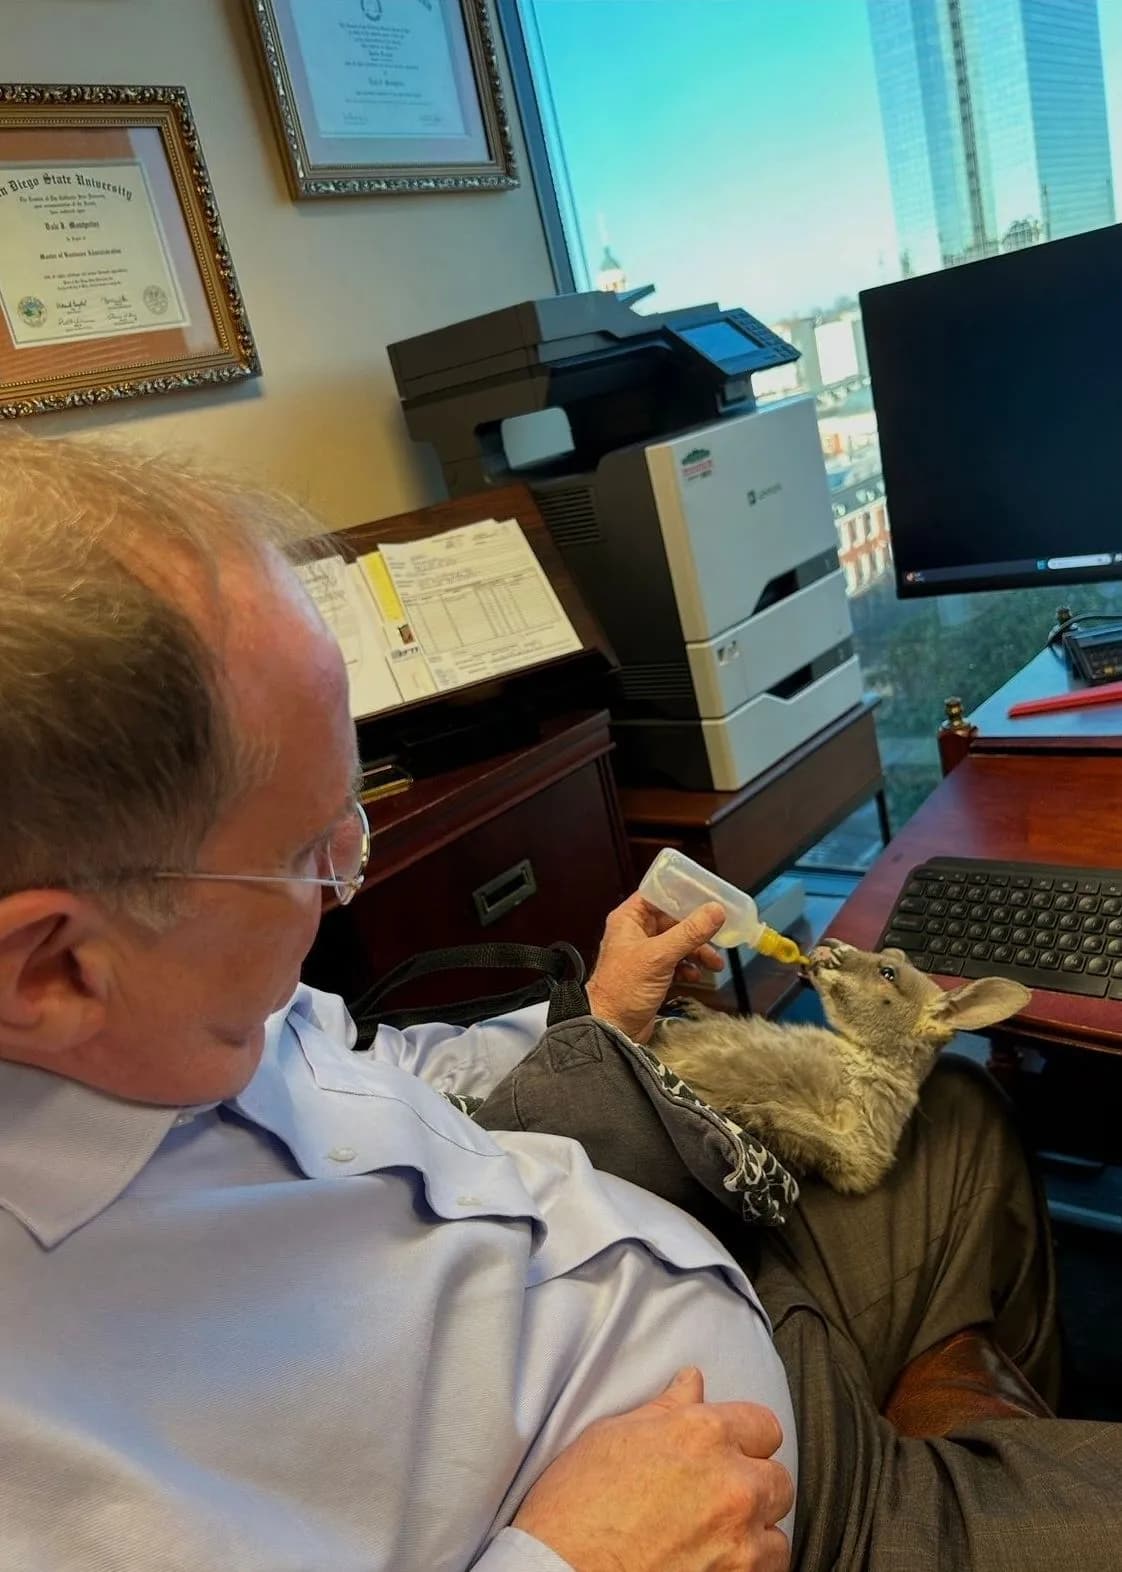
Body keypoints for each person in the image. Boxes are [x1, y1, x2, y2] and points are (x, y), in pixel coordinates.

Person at [0, 431, 1119, 1572]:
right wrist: (565, 1560)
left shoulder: (176, 1003)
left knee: (961, 1128)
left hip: (697, 1251)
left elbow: (367, 1073)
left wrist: (590, 1015)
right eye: (306, 851)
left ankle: (976, 1445)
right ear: (51, 968)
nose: (349, 876)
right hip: (734, 1499)